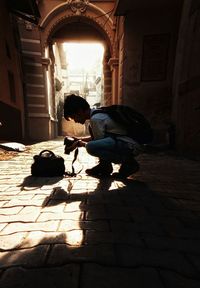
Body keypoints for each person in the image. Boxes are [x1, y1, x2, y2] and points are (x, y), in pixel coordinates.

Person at [64, 94, 141, 179]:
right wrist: (78, 140)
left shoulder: (96, 119)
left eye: (74, 117)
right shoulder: (97, 115)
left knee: (90, 147)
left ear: (79, 111)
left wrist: (81, 143)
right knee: (94, 145)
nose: (75, 121)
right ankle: (105, 166)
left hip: (128, 145)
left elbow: (98, 144)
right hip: (128, 143)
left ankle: (128, 163)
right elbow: (99, 140)